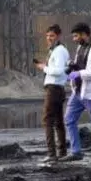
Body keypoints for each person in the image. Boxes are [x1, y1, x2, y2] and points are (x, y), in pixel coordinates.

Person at [61, 22, 91, 165]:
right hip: (78, 91)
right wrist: (73, 66)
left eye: (76, 36)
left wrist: (80, 73)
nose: (74, 39)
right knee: (69, 119)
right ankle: (76, 152)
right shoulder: (80, 47)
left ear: (85, 34)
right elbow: (81, 66)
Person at [35, 24, 69, 165]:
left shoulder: (59, 51)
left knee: (47, 121)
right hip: (57, 88)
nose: (49, 38)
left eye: (52, 36)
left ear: (58, 36)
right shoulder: (56, 50)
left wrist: (44, 68)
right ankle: (61, 152)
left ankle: (52, 154)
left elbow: (59, 70)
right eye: (48, 36)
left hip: (54, 88)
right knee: (58, 121)